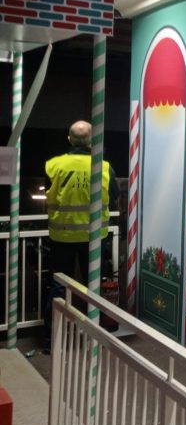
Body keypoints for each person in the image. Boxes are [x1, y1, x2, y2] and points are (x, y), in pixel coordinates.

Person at [43, 121, 119, 340]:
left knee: (59, 286)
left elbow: (48, 192)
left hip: (62, 235)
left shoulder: (53, 165)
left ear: (69, 139)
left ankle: (51, 337)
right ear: (92, 141)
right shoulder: (104, 167)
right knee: (92, 286)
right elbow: (114, 196)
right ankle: (92, 334)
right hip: (94, 238)